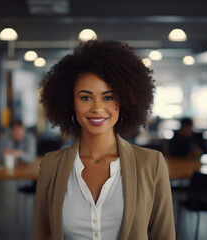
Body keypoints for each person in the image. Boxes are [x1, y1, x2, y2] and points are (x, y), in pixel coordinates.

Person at [32, 40, 175, 240]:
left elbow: (164, 236)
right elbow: (41, 235)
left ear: (124, 100)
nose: (97, 108)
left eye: (107, 97)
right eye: (85, 97)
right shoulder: (51, 165)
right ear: (71, 102)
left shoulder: (151, 164)